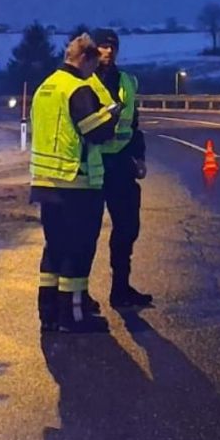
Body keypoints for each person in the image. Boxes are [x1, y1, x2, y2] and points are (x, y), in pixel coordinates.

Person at [29, 33, 120, 333]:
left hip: (45, 182)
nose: (94, 72)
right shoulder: (77, 89)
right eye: (93, 65)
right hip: (75, 182)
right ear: (84, 59)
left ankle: (49, 314)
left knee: (54, 249)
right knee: (76, 251)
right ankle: (72, 317)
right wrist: (110, 116)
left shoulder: (46, 86)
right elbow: (95, 132)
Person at [90, 28, 153, 308]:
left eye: (112, 46)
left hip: (121, 166)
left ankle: (121, 288)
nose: (108, 51)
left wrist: (139, 157)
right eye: (103, 46)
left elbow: (133, 124)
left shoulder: (127, 81)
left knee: (127, 228)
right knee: (86, 233)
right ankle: (78, 294)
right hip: (92, 166)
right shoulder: (84, 80)